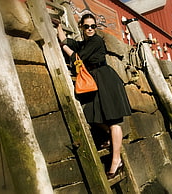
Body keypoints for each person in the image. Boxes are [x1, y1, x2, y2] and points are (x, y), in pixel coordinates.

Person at [54, 14, 131, 179]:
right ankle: (111, 139)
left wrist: (65, 48)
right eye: (87, 26)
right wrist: (59, 28)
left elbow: (78, 57)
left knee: (113, 120)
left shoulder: (96, 41)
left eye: (93, 26)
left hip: (105, 79)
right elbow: (68, 41)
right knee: (92, 115)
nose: (90, 29)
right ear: (81, 27)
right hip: (94, 80)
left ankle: (116, 161)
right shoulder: (84, 43)